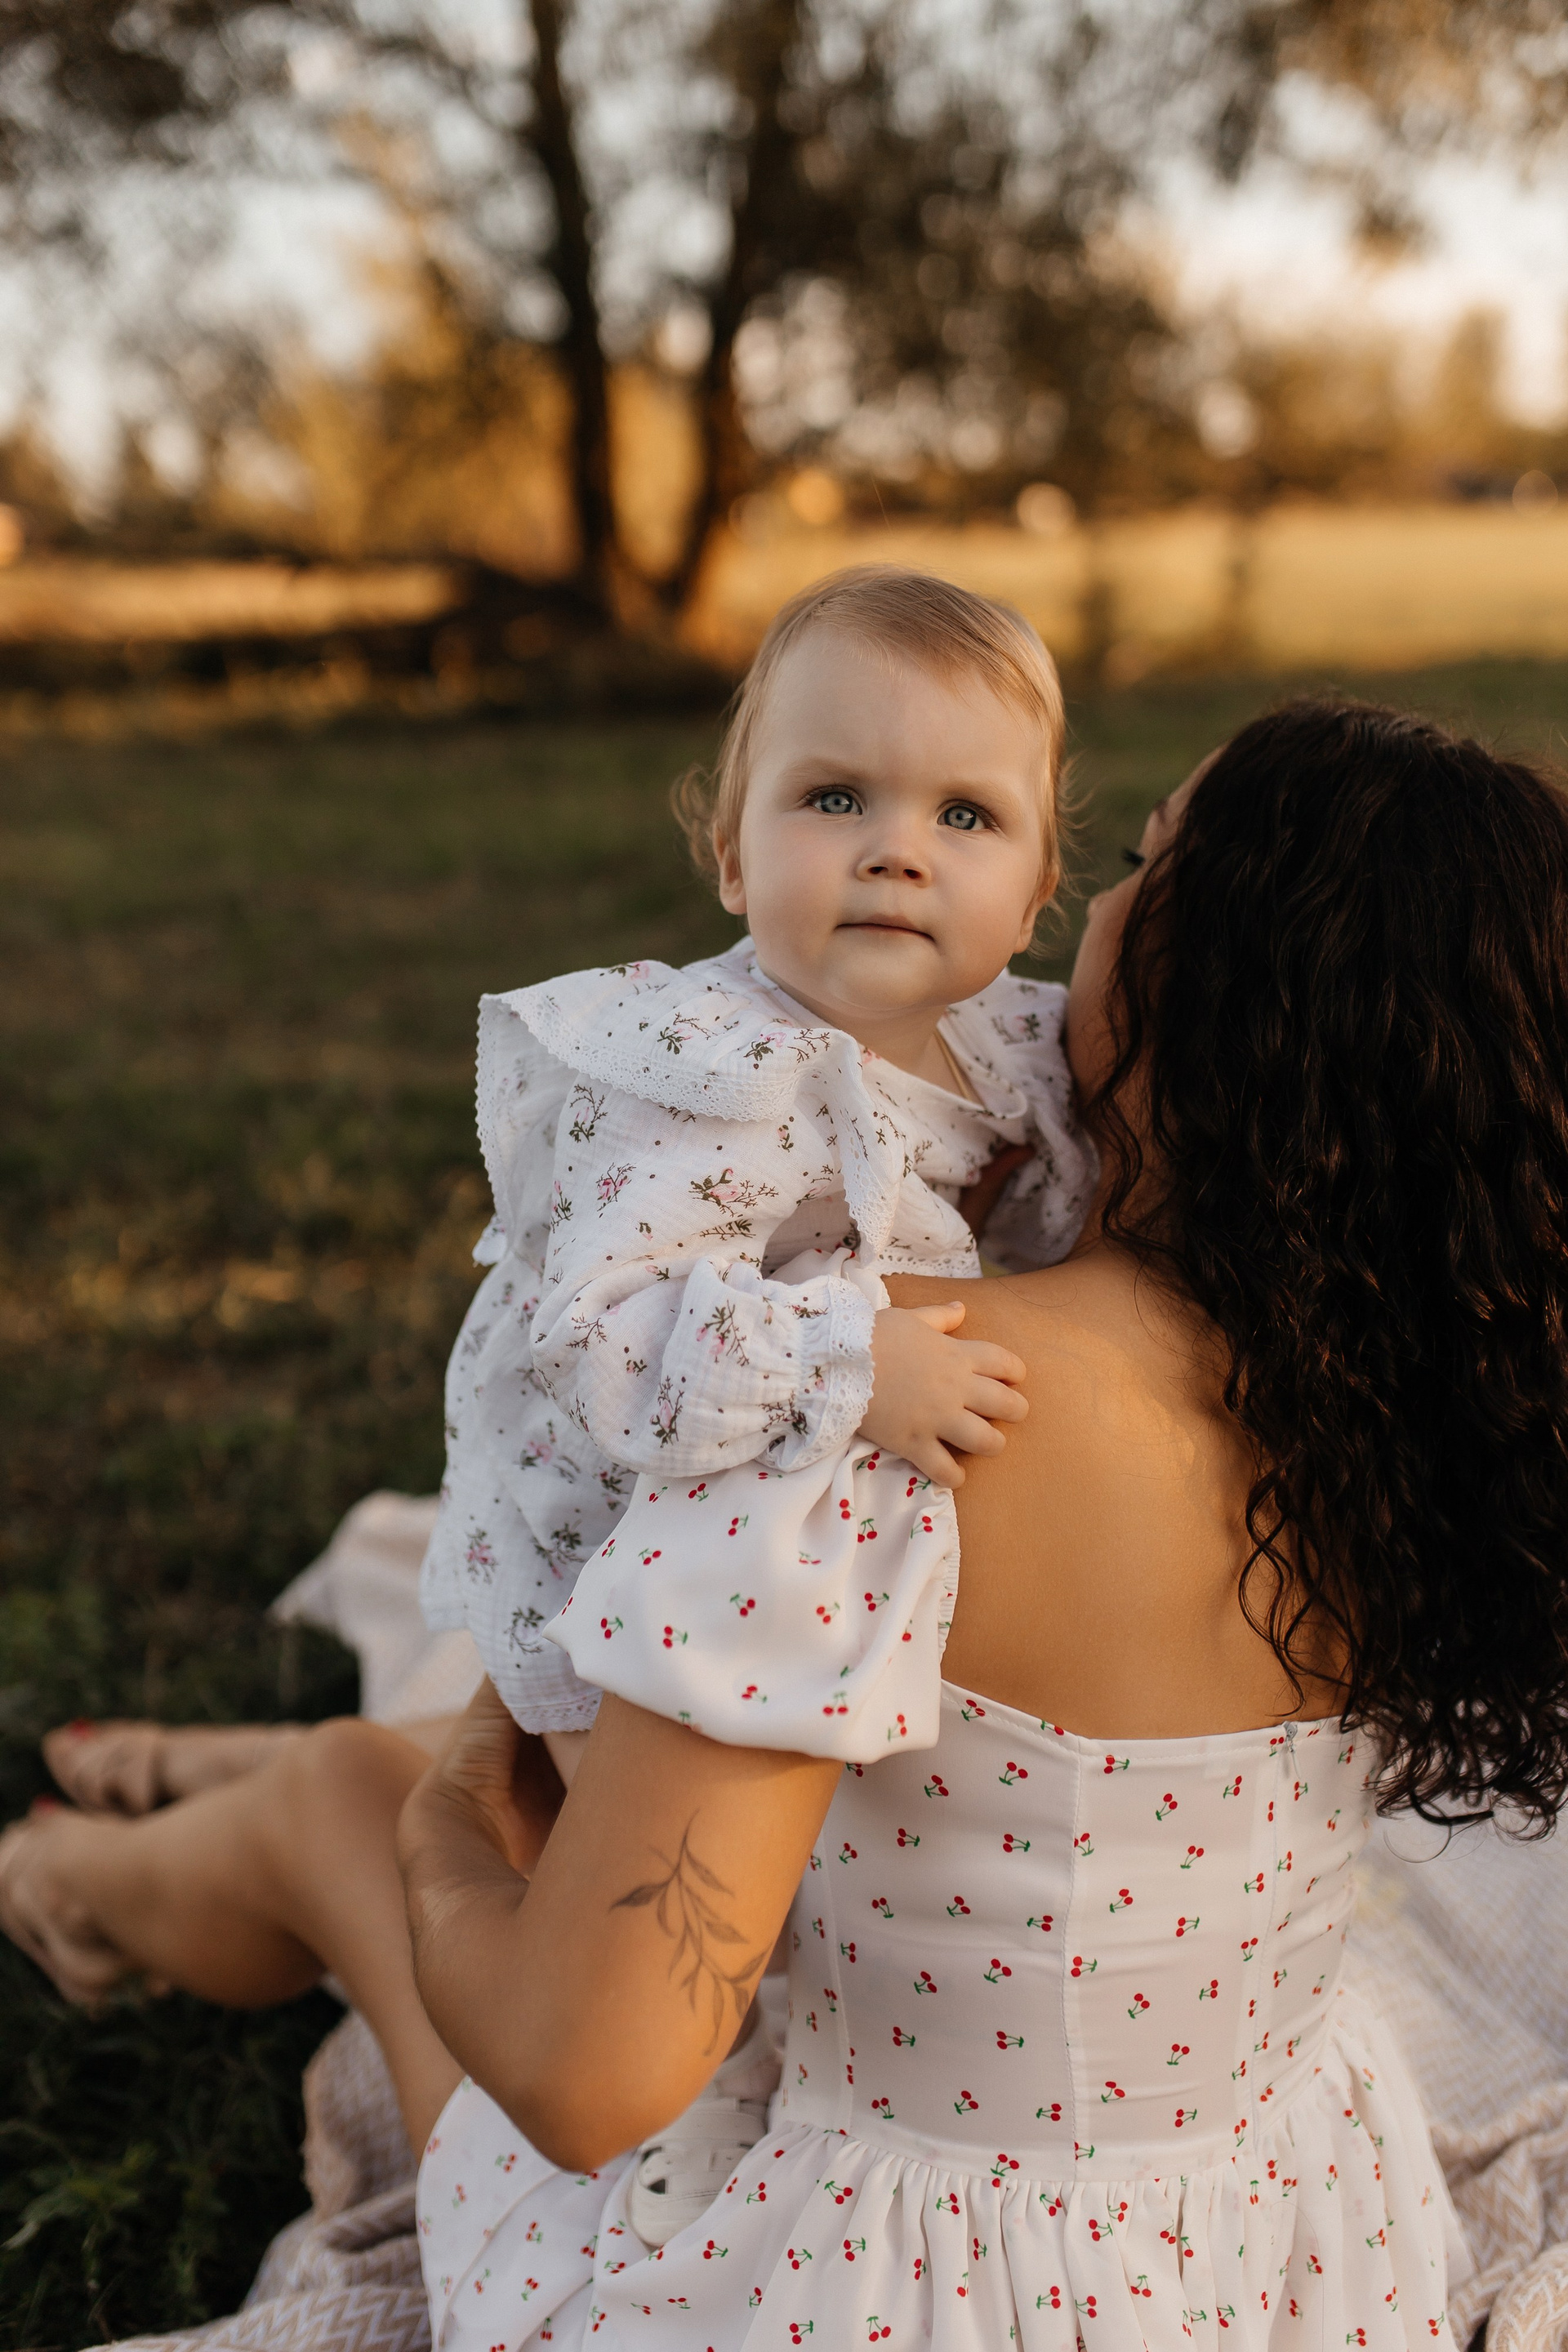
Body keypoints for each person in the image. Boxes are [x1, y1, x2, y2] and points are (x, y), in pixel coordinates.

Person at [8, 700, 1568, 2352]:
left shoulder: (888, 1401)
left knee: (350, 1792)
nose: (1087, 908)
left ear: (1213, 989)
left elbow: (586, 2078)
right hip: (1281, 2259)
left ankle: (65, 1886)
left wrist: (438, 1828)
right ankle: (167, 1813)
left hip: (860, 2289)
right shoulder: (1438, 1437)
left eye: (1137, 864)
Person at [413, 561, 1096, 2230]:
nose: (897, 849)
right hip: (604, 1538)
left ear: (1033, 896)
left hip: (785, 1528)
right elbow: (602, 1346)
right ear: (730, 852)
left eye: (965, 816)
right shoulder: (698, 1073)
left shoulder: (1011, 1044)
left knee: (834, 1858)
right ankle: (651, 2127)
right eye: (834, 797)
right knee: (665, 1908)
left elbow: (1051, 1205)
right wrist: (857, 1360)